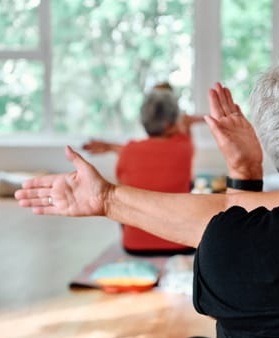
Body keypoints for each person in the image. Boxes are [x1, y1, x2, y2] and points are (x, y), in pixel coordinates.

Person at [15, 45, 279, 338]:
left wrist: (108, 199)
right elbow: (240, 224)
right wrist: (242, 173)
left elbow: (231, 226)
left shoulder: (231, 253)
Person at [82, 86, 203, 254]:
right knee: (189, 187)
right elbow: (182, 126)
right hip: (181, 244)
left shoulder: (128, 151)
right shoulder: (185, 147)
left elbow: (139, 152)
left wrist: (110, 147)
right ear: (171, 123)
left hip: (134, 246)